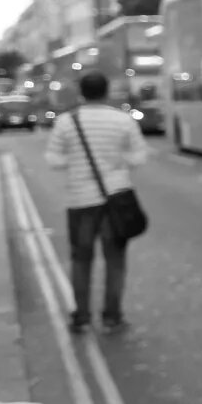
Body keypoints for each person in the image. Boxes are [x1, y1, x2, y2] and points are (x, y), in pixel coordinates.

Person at [45, 70, 148, 334]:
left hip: (80, 202)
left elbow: (53, 160)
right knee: (115, 260)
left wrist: (76, 164)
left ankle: (81, 317)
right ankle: (112, 317)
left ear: (81, 92)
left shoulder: (66, 122)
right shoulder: (123, 120)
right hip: (117, 199)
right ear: (107, 91)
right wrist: (116, 163)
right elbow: (138, 157)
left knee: (81, 260)